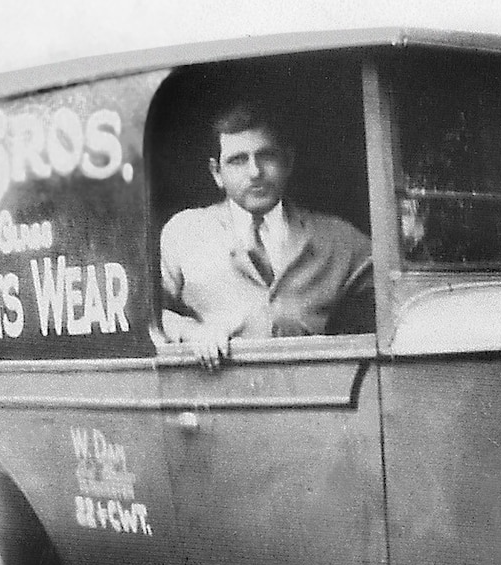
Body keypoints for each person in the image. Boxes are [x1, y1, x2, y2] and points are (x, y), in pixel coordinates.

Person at [160, 100, 373, 369]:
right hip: (221, 395)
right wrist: (192, 332)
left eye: (267, 156)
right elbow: (146, 313)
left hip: (313, 395)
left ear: (288, 161)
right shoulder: (185, 233)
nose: (255, 172)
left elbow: (392, 291)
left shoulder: (337, 239)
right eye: (238, 161)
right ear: (217, 173)